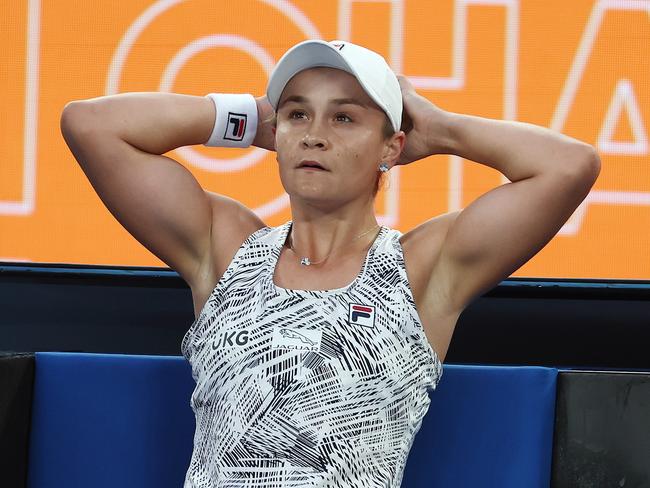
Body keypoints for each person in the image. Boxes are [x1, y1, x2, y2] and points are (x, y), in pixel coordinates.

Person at [60, 39, 600, 487]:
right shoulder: (227, 250)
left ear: (391, 147)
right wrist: (252, 118)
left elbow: (569, 166)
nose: (315, 133)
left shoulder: (422, 269)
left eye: (344, 117)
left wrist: (441, 130)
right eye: (298, 114)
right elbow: (90, 125)